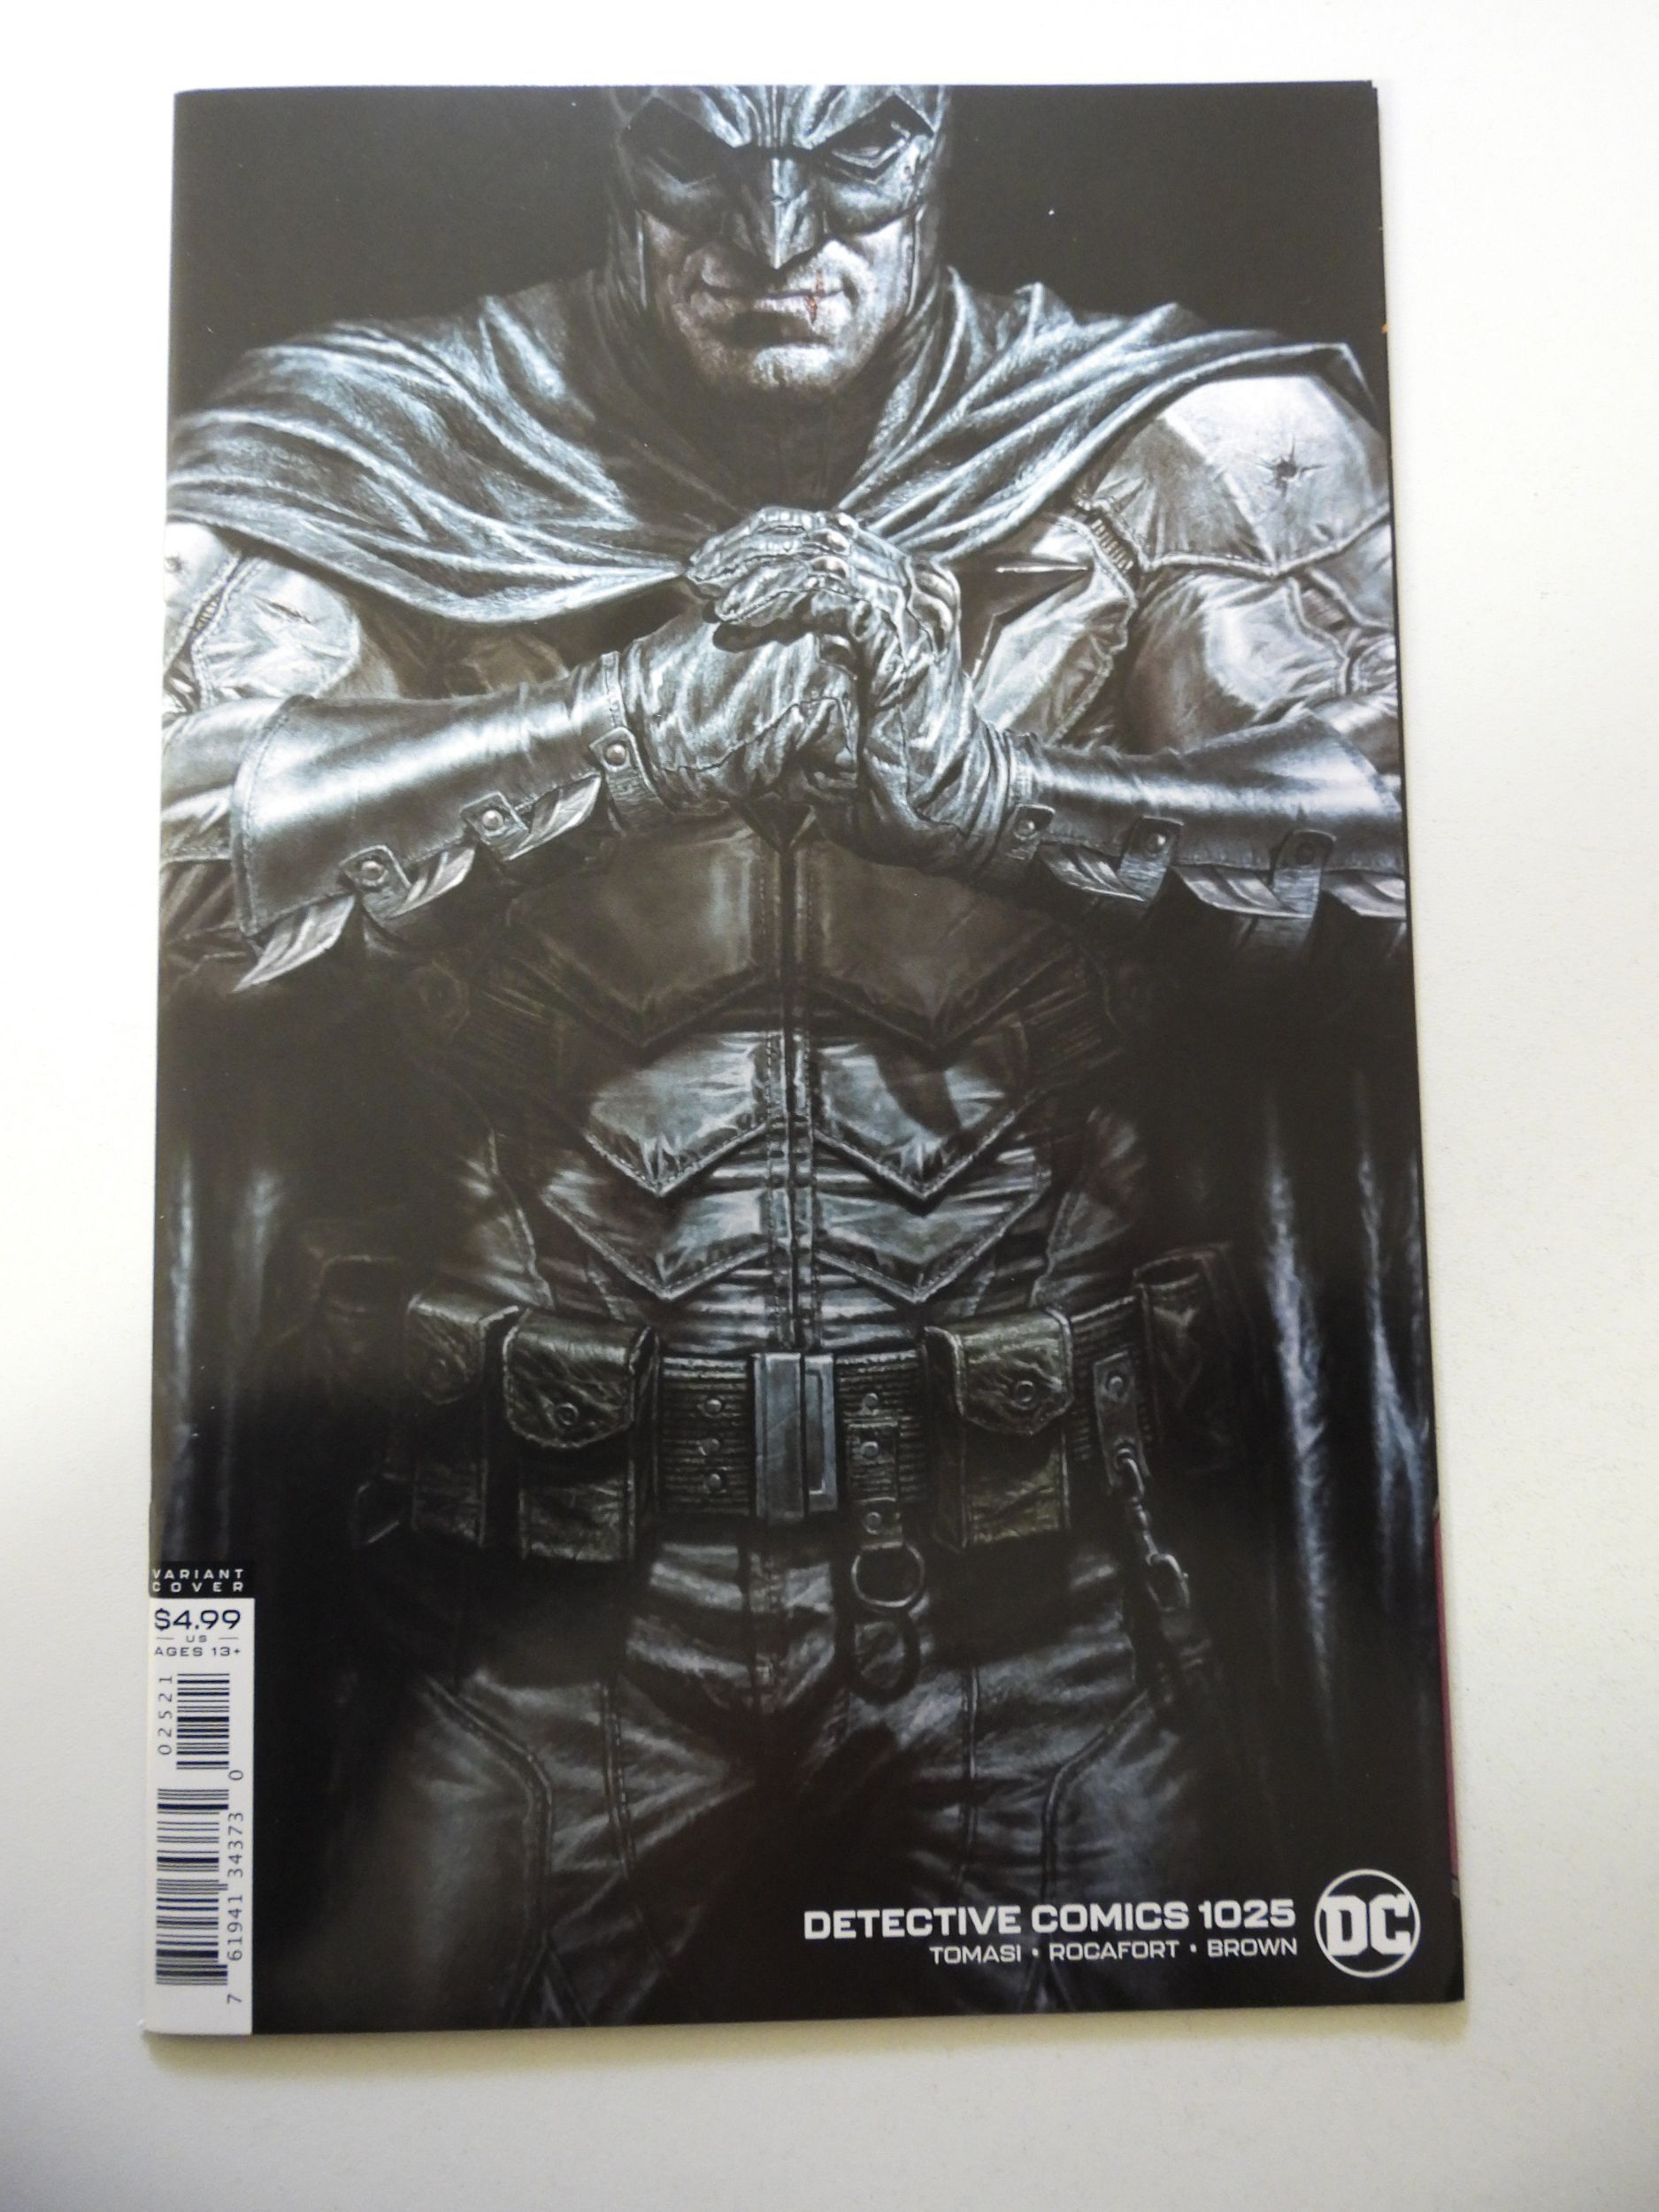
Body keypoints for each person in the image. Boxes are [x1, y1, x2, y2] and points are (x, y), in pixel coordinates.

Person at [159, 85, 1429, 2027]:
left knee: (1178, 2129)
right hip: (520, 1625)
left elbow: (1420, 861)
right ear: (610, 144)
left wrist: (1001, 801)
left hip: (1042, 1605)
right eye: (698, 156)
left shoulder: (1186, 440)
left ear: (939, 143)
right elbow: (149, 873)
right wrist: (614, 739)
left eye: (848, 158)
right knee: (357, 2120)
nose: (771, 235)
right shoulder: (383, 440)